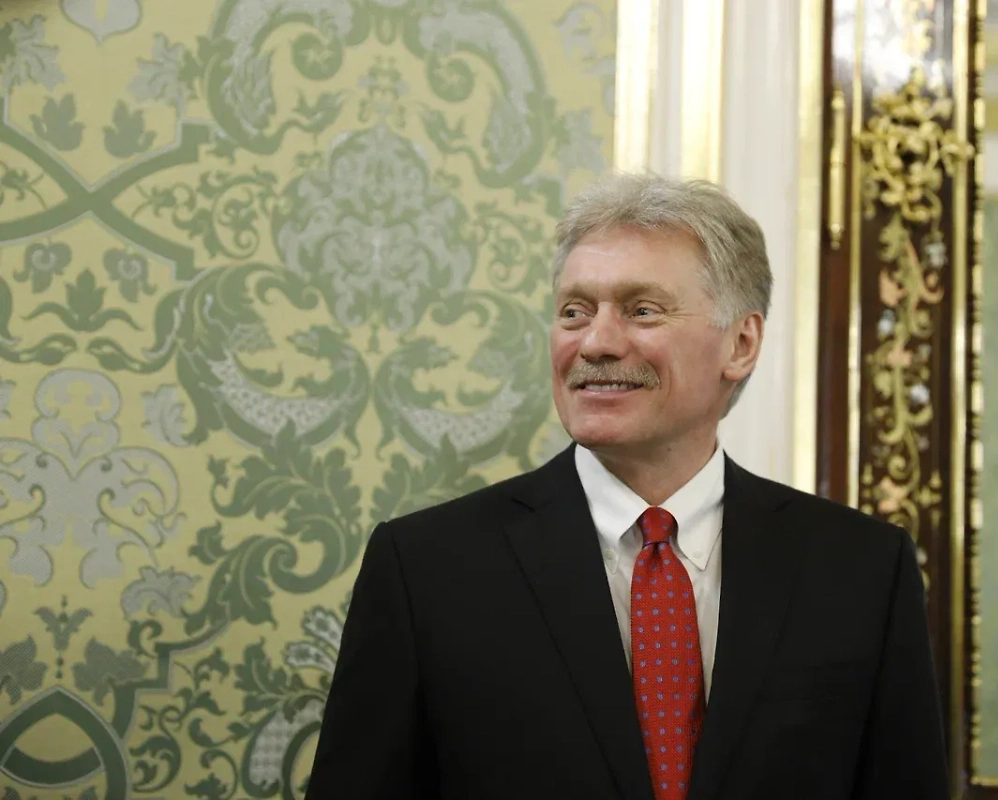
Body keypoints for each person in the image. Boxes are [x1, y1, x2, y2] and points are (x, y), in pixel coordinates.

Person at [304, 174, 948, 799]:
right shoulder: (426, 569)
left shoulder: (862, 570)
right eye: (574, 312)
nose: (596, 343)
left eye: (642, 311)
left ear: (741, 343)